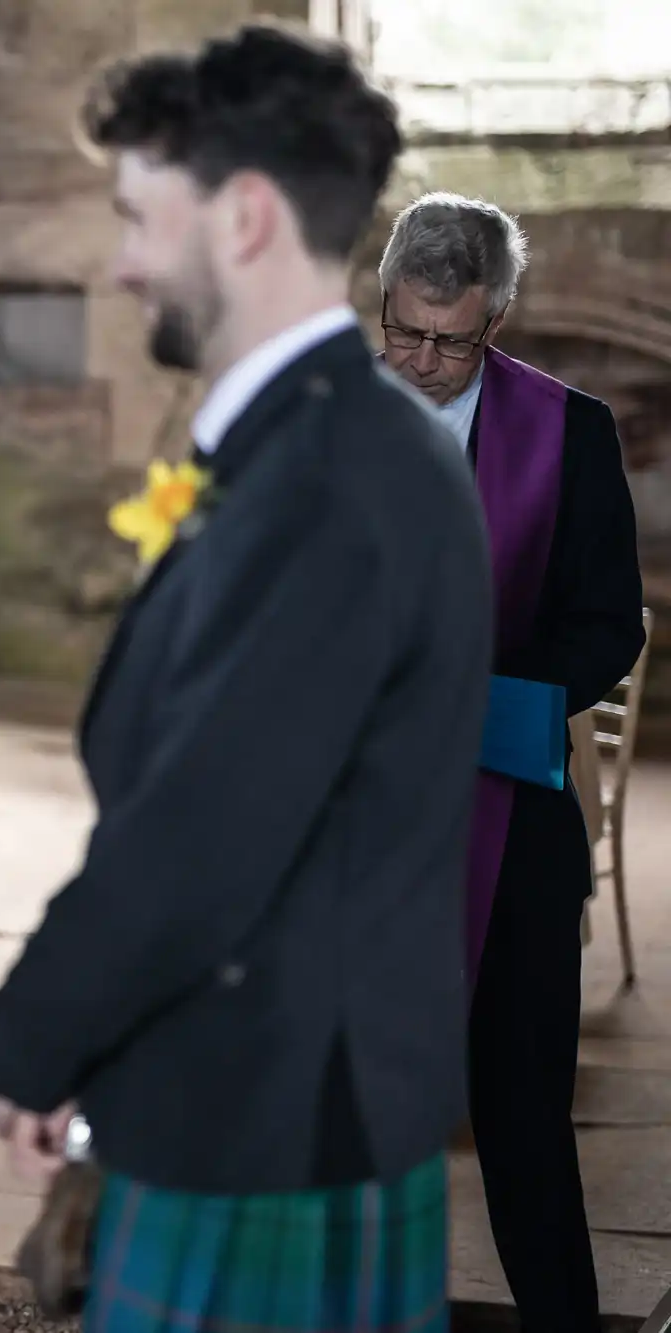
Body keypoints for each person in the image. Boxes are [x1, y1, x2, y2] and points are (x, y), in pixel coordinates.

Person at [0, 25, 494, 1333]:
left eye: (142, 216)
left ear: (244, 217)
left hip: (274, 1111)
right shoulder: (317, 447)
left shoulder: (324, 479)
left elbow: (200, 837)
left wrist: (29, 1042)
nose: (126, 260)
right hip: (264, 1086)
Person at [378, 192, 645, 1333]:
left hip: (509, 809)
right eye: (403, 331)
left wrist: (472, 700)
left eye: (453, 339)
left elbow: (607, 625)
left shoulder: (566, 430)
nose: (424, 361)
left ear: (498, 319)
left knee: (521, 1108)